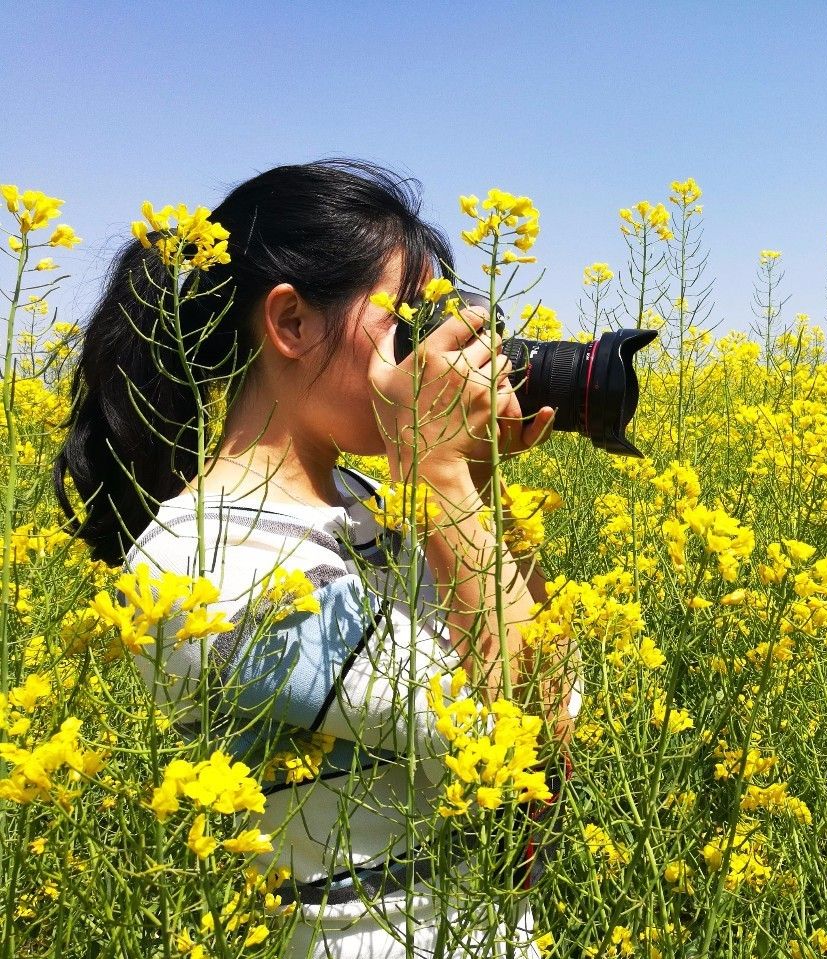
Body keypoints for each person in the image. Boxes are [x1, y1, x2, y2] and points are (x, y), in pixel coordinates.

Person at [51, 159, 581, 958]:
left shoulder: (377, 500)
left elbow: (555, 688)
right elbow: (527, 737)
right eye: (407, 322)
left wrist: (475, 482)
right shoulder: (199, 567)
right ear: (291, 322)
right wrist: (439, 475)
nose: (428, 356)